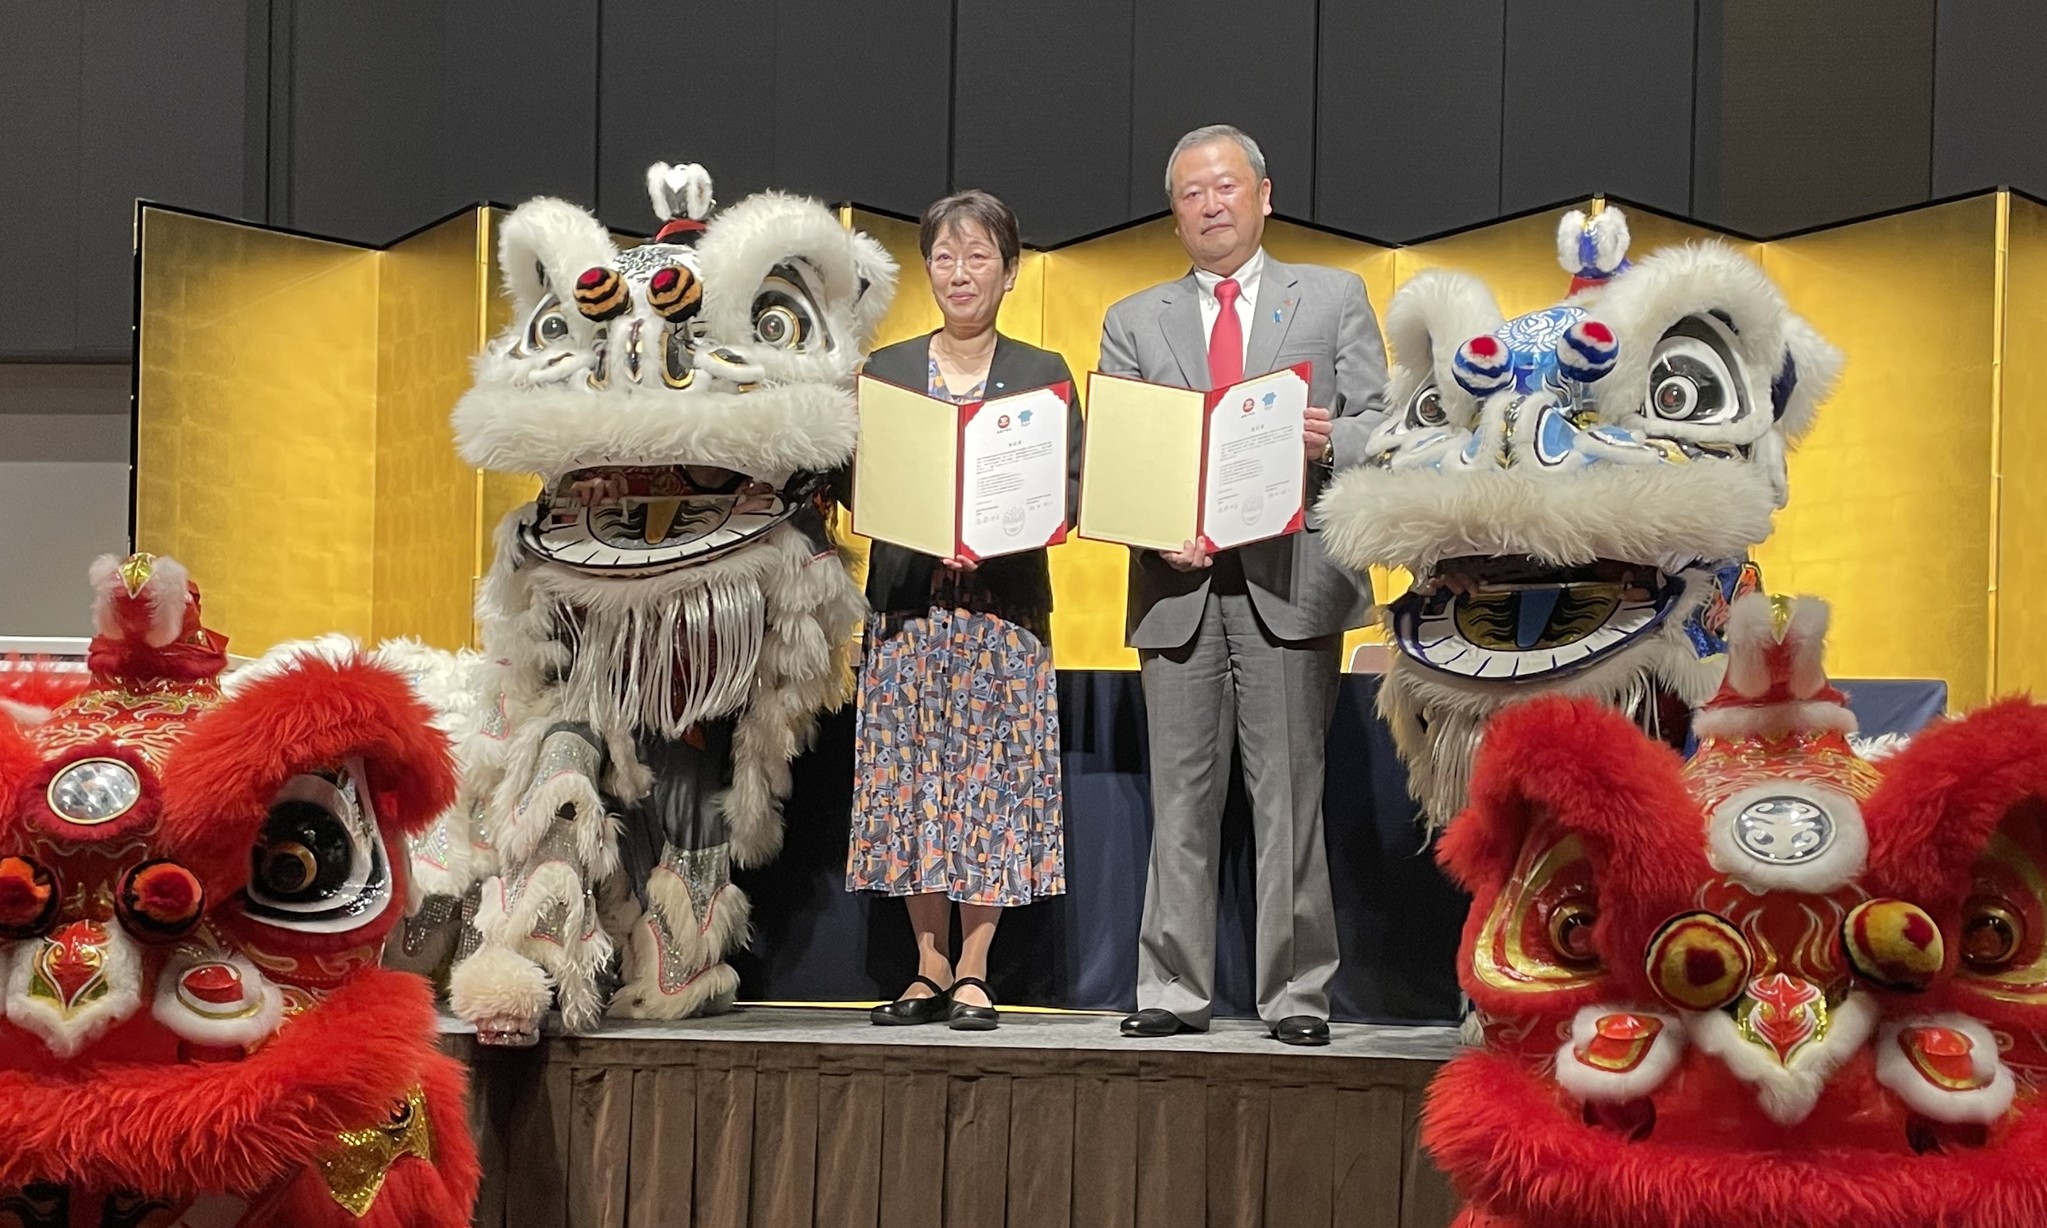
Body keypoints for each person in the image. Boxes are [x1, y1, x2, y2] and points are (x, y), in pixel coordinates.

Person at [1099, 124, 1388, 1046]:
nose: (1211, 204)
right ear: (1174, 211)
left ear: (1264, 194)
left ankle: (1297, 996)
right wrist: (1154, 528)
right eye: (1191, 192)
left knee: (1289, 799)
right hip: (1178, 585)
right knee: (1180, 801)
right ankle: (1171, 991)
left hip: (1293, 578)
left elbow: (1383, 424)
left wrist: (1327, 438)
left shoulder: (1335, 295)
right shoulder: (1133, 319)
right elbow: (1120, 458)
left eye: (1225, 186)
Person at [838, 189, 1082, 1031]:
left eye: (979, 256)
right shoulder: (887, 372)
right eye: (945, 256)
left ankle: (976, 968)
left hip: (999, 616)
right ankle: (926, 966)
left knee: (991, 792)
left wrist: (1004, 527)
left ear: (1009, 272)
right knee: (911, 787)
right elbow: (851, 480)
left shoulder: (1043, 374)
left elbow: (1073, 488)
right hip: (908, 612)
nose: (960, 272)